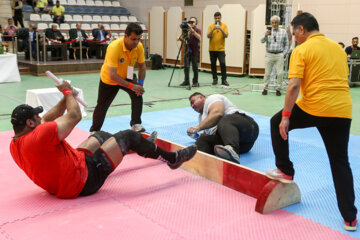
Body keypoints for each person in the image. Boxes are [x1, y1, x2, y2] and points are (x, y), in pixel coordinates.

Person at [9, 80, 197, 199]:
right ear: (29, 123)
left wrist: (67, 96)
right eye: (36, 117)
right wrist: (67, 93)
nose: (39, 118)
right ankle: (172, 159)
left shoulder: (15, 142)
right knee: (128, 136)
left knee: (100, 136)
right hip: (84, 181)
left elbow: (47, 119)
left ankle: (142, 147)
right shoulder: (40, 136)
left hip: (67, 176)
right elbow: (74, 115)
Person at [265, 12, 357, 231]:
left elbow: (294, 86)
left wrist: (286, 117)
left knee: (276, 121)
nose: (294, 37)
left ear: (301, 30)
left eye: (294, 33)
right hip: (342, 110)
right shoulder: (337, 48)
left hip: (315, 107)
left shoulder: (302, 49)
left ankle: (285, 169)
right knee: (340, 162)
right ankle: (350, 218)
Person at [90, 23, 146, 133]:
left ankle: (136, 124)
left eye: (138, 39)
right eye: (133, 39)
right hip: (110, 79)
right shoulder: (114, 47)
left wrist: (139, 84)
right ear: (125, 36)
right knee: (102, 105)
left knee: (137, 95)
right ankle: (94, 131)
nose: (136, 42)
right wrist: (132, 86)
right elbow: (113, 75)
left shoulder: (138, 46)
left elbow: (142, 66)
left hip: (127, 74)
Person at [187, 92, 259, 163]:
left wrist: (198, 127)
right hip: (242, 146)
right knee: (203, 141)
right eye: (191, 105)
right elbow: (207, 134)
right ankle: (203, 162)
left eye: (193, 102)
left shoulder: (212, 98)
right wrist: (195, 135)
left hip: (248, 129)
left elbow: (218, 113)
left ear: (201, 98)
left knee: (224, 120)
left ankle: (233, 150)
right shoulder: (201, 118)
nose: (192, 106)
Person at [261, 15, 289, 96]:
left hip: (279, 54)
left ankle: (278, 89)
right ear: (271, 23)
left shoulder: (283, 32)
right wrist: (265, 36)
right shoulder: (267, 31)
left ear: (279, 23)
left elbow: (287, 44)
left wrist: (283, 54)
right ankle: (265, 88)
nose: (274, 24)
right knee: (267, 73)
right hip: (269, 54)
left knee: (280, 73)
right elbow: (261, 41)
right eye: (272, 23)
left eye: (276, 22)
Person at [207, 12, 229, 86]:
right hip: (212, 49)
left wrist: (221, 29)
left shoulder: (224, 25)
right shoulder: (211, 26)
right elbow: (208, 36)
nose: (217, 19)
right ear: (214, 18)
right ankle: (215, 79)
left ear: (220, 18)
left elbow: (226, 35)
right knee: (213, 65)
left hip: (221, 49)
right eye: (216, 18)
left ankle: (224, 80)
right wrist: (213, 29)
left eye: (218, 18)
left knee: (222, 64)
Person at [178, 17, 201, 87]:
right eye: (190, 22)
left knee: (195, 67)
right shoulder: (187, 30)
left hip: (195, 51)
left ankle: (195, 82)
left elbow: (199, 37)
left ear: (196, 23)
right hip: (187, 50)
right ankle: (186, 81)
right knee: (186, 67)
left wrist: (192, 30)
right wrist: (181, 39)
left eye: (193, 22)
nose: (192, 23)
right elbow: (185, 39)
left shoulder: (197, 30)